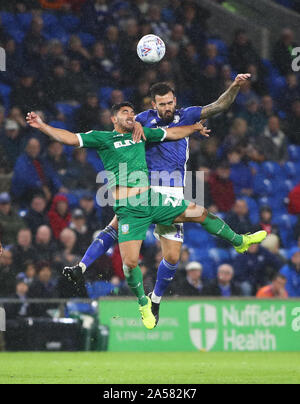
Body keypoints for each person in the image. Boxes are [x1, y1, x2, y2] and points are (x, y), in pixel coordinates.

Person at [27, 102, 267, 330]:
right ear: (113, 119)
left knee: (200, 212)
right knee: (130, 263)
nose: (130, 115)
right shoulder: (104, 138)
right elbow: (70, 138)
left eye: (132, 112)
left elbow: (171, 134)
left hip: (152, 198)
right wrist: (44, 126)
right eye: (124, 112)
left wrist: (192, 128)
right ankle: (144, 302)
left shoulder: (140, 134)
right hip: (129, 208)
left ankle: (240, 241)